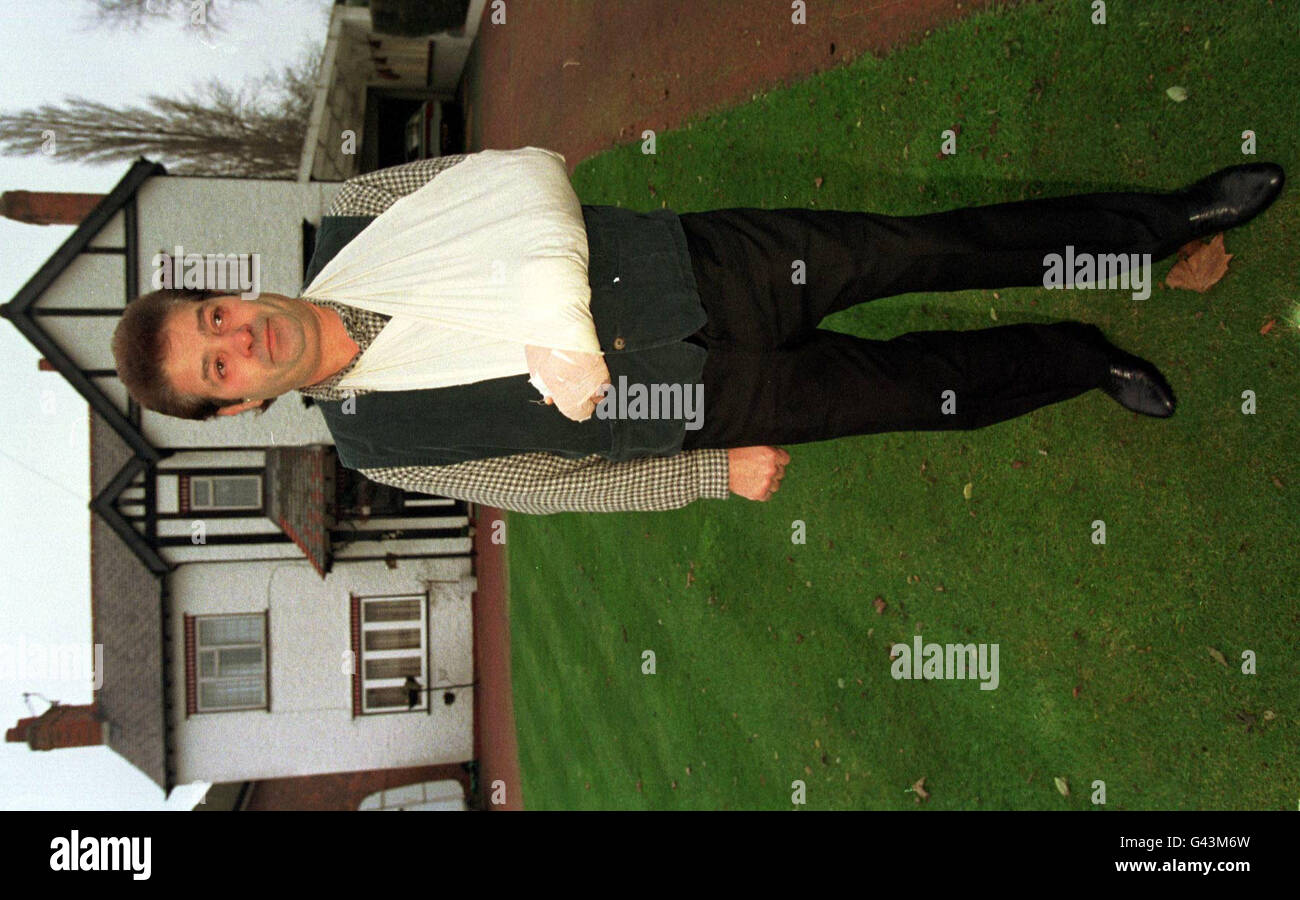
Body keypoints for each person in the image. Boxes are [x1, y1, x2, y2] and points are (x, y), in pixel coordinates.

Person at [110, 153, 1284, 514]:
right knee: (921, 389)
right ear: (241, 406)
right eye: (217, 368)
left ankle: (1158, 225)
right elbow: (538, 482)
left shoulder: (356, 220)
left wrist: (555, 320)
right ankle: (1086, 362)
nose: (240, 339)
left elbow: (520, 181)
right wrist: (707, 476)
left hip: (700, 267)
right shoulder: (373, 444)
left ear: (230, 292)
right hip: (691, 413)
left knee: (928, 248)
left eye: (214, 317)